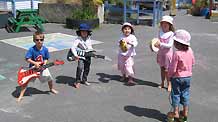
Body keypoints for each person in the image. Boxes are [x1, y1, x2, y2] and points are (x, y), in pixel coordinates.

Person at [17, 31, 58, 102]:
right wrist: (34, 63)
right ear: (34, 40)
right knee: (25, 82)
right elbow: (27, 59)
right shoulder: (31, 49)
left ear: (43, 40)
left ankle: (51, 89)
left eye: (41, 39)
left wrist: (45, 63)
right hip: (33, 69)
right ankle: (21, 95)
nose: (39, 41)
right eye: (37, 40)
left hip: (42, 68)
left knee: (50, 79)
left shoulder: (45, 49)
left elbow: (46, 58)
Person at [168, 29, 195, 122]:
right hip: (188, 77)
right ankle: (185, 113)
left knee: (175, 94)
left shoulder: (176, 53)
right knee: (185, 94)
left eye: (175, 42)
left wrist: (169, 76)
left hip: (177, 77)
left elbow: (173, 68)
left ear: (178, 43)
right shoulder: (190, 50)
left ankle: (175, 112)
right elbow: (193, 62)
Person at [154, 15, 175, 92]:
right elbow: (157, 42)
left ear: (170, 25)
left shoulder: (171, 34)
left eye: (167, 23)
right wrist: (154, 46)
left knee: (167, 70)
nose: (165, 25)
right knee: (162, 69)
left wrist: (160, 44)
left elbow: (169, 45)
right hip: (161, 54)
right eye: (163, 23)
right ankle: (162, 82)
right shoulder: (160, 32)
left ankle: (169, 84)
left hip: (167, 54)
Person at [71, 23, 93, 88]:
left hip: (88, 55)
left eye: (85, 31)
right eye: (82, 31)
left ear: (88, 32)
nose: (84, 33)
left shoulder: (88, 38)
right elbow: (73, 47)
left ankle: (84, 80)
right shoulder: (78, 39)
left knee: (87, 68)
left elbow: (90, 47)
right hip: (80, 56)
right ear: (80, 32)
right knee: (80, 67)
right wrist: (75, 55)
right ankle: (77, 81)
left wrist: (92, 51)